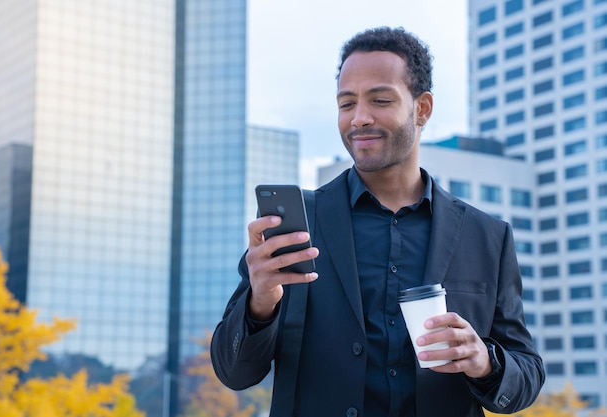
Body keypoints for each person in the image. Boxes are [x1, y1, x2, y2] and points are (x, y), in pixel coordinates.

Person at [211, 26, 544, 417]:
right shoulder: (297, 225)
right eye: (346, 103)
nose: (359, 119)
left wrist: (485, 361)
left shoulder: (487, 236)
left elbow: (527, 372)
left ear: (422, 109)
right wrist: (259, 302)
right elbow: (233, 372)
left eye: (380, 100)